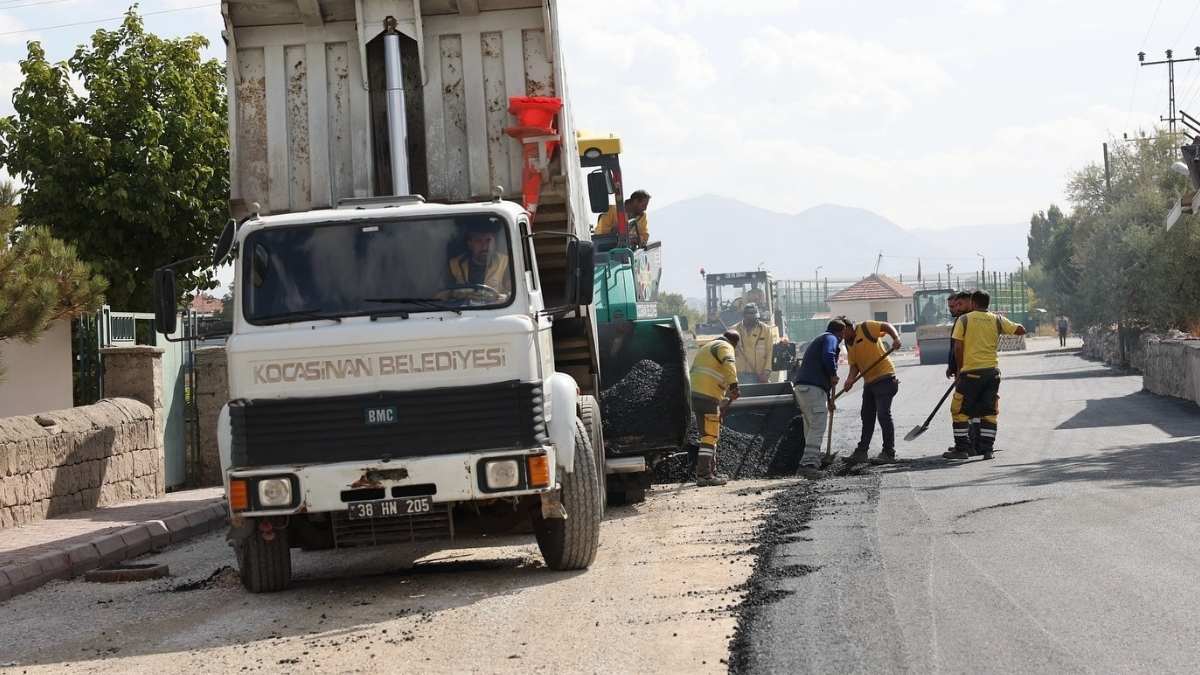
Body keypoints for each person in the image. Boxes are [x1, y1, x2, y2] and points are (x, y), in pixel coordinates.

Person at [944, 290, 1027, 461]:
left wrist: (959, 370)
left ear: (973, 303)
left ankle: (962, 449)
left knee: (959, 410)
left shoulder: (964, 320)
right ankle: (987, 449)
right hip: (992, 373)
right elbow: (1021, 330)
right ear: (987, 304)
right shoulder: (996, 319)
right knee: (989, 412)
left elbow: (958, 347)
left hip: (971, 373)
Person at [840, 318, 901, 465]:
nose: (841, 336)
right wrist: (849, 380)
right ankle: (862, 452)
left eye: (843, 332)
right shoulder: (848, 344)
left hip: (885, 378)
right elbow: (854, 365)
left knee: (883, 414)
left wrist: (896, 338)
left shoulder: (866, 327)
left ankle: (888, 452)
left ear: (849, 327)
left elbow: (886, 326)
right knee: (866, 416)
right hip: (870, 382)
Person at [790, 318, 845, 478]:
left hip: (804, 388)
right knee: (818, 424)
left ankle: (810, 460)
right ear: (841, 332)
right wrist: (834, 374)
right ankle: (808, 465)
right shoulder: (830, 338)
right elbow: (828, 355)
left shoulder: (821, 339)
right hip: (812, 387)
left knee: (810, 426)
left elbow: (820, 373)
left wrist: (829, 400)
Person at [687, 330, 741, 487]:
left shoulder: (707, 347)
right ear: (734, 343)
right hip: (708, 396)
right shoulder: (725, 346)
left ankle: (711, 471)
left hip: (695, 395)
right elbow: (729, 362)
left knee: (707, 436)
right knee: (710, 436)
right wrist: (734, 386)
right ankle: (704, 475)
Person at [447, 223, 512, 300]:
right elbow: (442, 294)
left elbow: (513, 294)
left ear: (494, 243)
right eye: (478, 241)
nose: (484, 247)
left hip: (497, 310)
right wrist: (454, 294)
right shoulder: (455, 264)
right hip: (461, 311)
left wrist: (503, 298)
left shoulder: (505, 263)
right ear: (470, 244)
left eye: (488, 240)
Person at [734, 303, 774, 384]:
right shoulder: (734, 330)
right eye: (750, 318)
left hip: (760, 374)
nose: (755, 321)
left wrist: (766, 372)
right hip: (739, 374)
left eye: (756, 318)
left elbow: (769, 352)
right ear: (744, 316)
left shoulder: (766, 330)